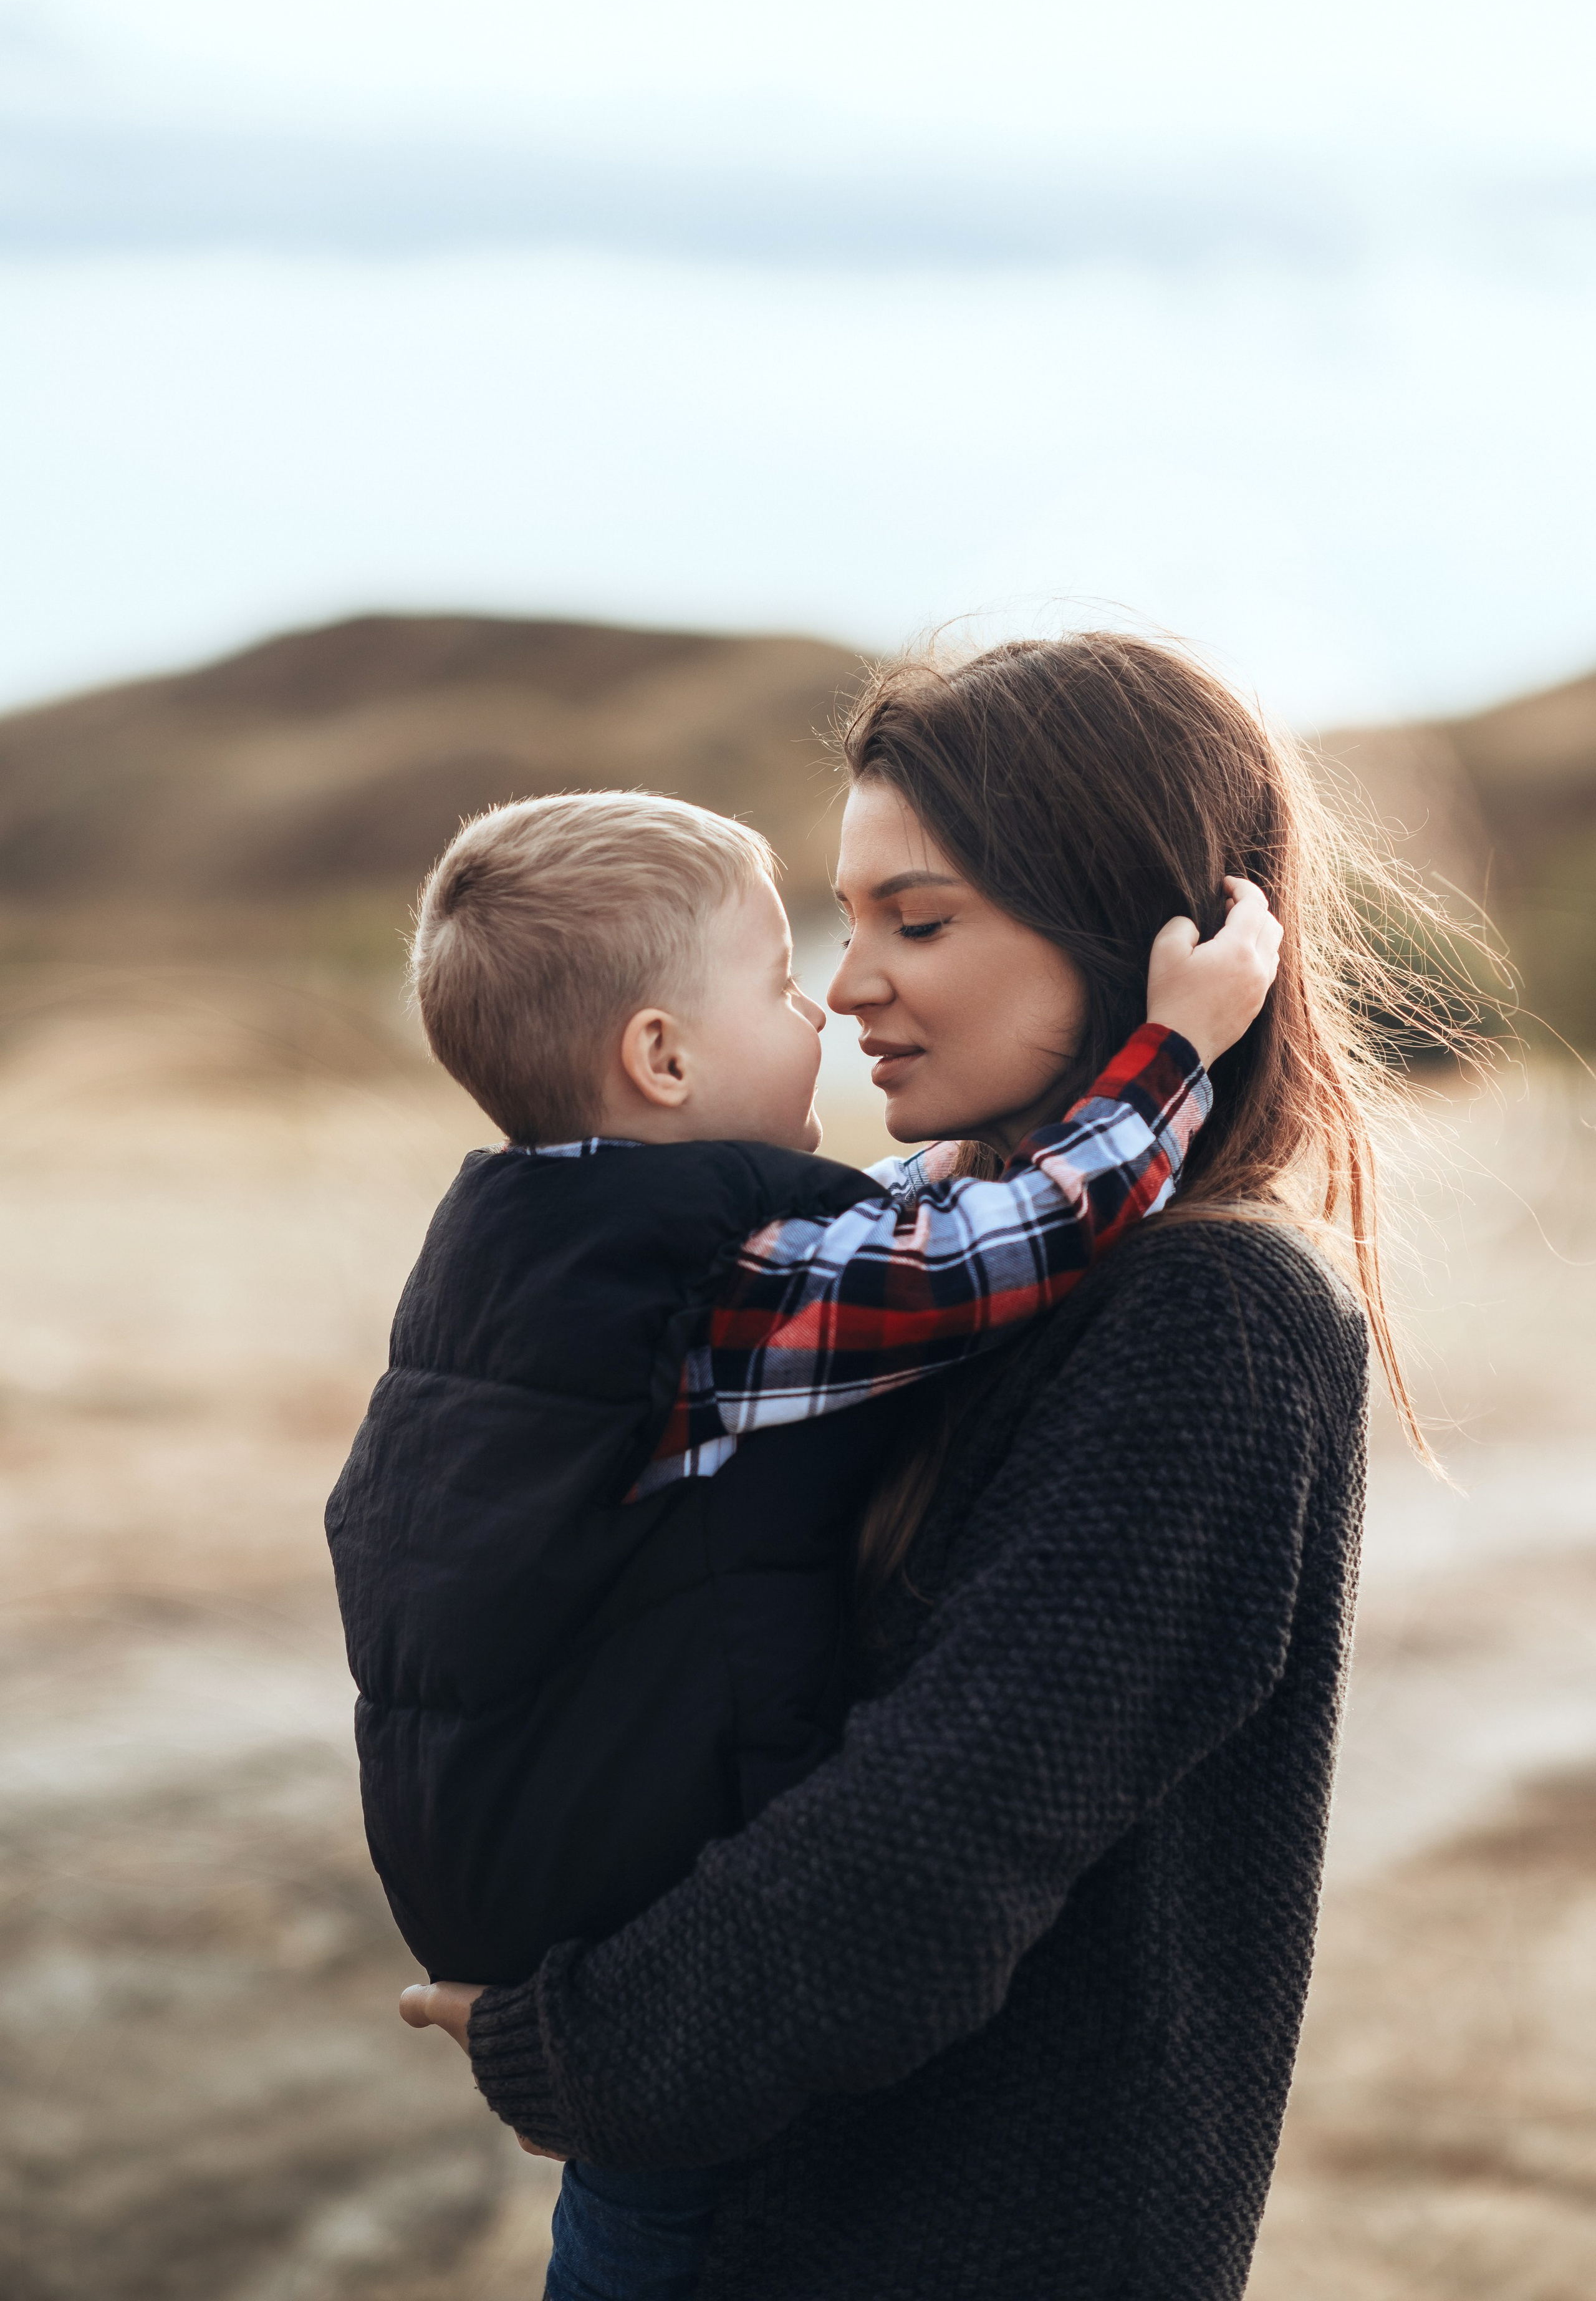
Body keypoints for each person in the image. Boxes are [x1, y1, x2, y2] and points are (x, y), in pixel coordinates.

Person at [400, 632, 1452, 2301]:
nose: (847, 987)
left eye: (921, 920)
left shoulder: (1213, 1311)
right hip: (750, 2211)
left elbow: (937, 1845)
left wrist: (590, 2050)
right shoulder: (893, 1255)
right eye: (844, 923)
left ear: (1137, 933)